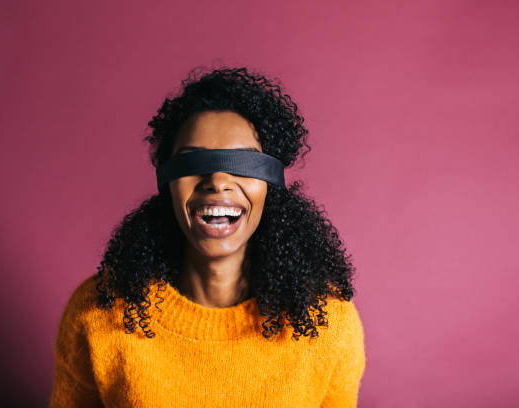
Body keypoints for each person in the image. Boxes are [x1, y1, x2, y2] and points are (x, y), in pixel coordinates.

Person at [49, 67, 366, 407]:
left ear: (270, 185)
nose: (217, 181)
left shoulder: (327, 321)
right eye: (193, 161)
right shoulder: (98, 312)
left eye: (243, 162)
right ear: (167, 182)